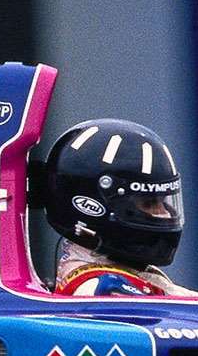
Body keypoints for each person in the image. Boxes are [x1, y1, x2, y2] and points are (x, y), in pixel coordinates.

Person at [40, 117, 188, 296]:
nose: (164, 214)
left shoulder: (132, 275)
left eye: (163, 202)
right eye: (149, 203)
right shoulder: (100, 290)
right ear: (91, 207)